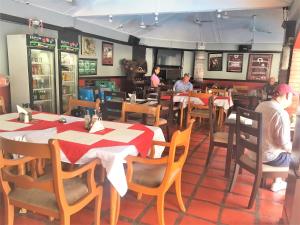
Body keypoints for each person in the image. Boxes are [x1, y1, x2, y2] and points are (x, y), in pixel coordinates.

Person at [255, 83, 298, 192]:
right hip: (268, 158)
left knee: (275, 147)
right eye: (292, 97)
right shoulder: (281, 113)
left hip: (254, 152)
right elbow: (285, 145)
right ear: (287, 96)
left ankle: (278, 182)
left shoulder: (261, 105)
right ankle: (294, 192)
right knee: (295, 156)